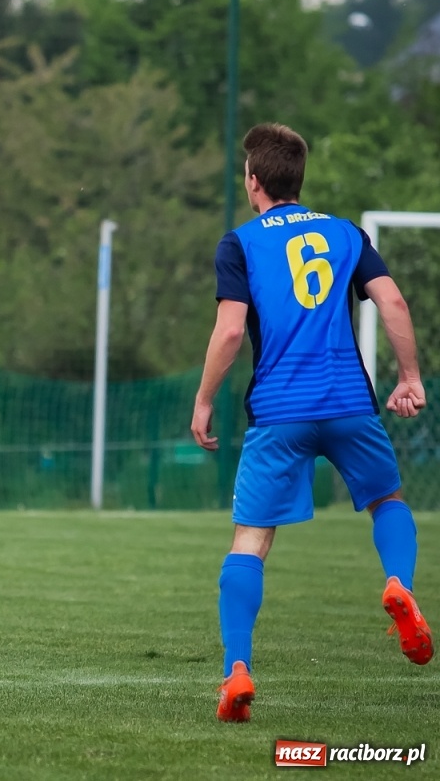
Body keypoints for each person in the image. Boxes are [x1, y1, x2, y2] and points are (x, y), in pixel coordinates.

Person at [190, 122, 431, 724]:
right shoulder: (346, 233)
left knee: (250, 540)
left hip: (279, 412)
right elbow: (393, 302)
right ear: (298, 178)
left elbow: (228, 329)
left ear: (254, 181)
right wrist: (410, 377)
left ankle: (238, 672)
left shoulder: (239, 243)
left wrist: (203, 400)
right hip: (349, 403)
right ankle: (398, 583)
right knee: (387, 499)